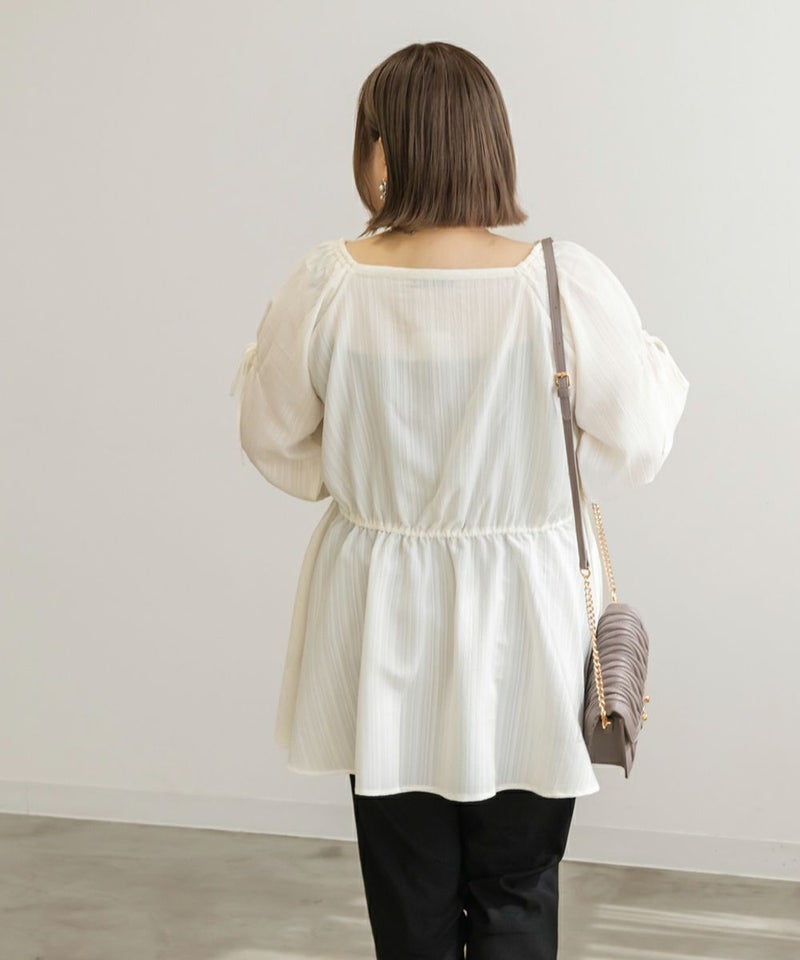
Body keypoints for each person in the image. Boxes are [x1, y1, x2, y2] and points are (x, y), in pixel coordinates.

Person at [230, 40, 689, 960]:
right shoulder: (559, 281)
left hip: (381, 612)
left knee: (408, 896)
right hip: (529, 612)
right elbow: (640, 436)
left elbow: (271, 435)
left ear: (381, 147)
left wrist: (366, 482)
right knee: (519, 884)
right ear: (491, 144)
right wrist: (531, 479)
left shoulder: (330, 283)